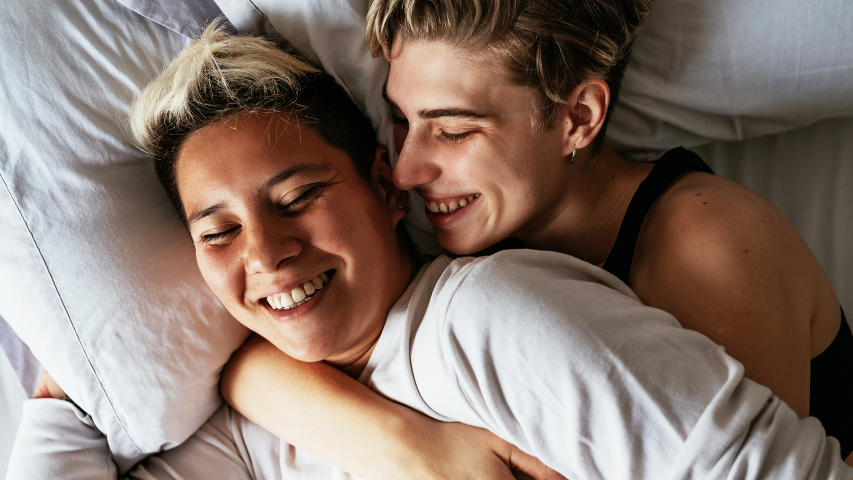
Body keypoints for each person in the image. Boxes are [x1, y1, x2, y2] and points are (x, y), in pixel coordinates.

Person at [10, 22, 853, 480]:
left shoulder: (491, 322)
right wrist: (57, 405)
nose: (263, 253)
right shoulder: (251, 419)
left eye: (299, 197)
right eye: (217, 231)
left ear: (381, 190)